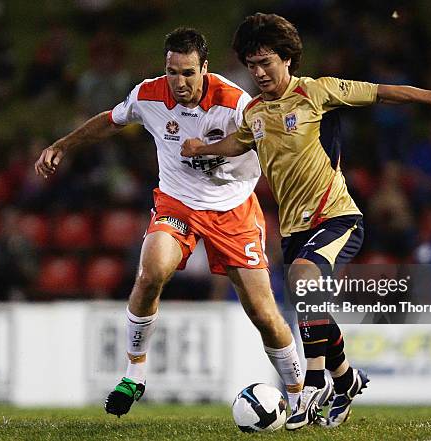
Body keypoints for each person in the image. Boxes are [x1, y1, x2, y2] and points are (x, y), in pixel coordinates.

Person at [181, 13, 431, 430]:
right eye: (251, 64)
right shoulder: (255, 114)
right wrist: (201, 146)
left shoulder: (317, 92)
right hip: (293, 229)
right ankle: (346, 379)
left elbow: (383, 93)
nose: (259, 72)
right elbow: (238, 142)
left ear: (288, 59)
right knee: (310, 304)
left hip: (338, 217)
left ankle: (313, 383)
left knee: (304, 282)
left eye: (266, 61)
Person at [34, 28, 304, 418]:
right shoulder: (148, 94)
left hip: (233, 209)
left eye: (188, 73)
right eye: (173, 72)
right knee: (150, 272)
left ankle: (298, 394)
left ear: (205, 69)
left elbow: (272, 146)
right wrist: (62, 145)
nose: (179, 82)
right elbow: (110, 121)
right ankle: (134, 374)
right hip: (177, 204)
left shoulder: (235, 103)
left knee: (263, 312)